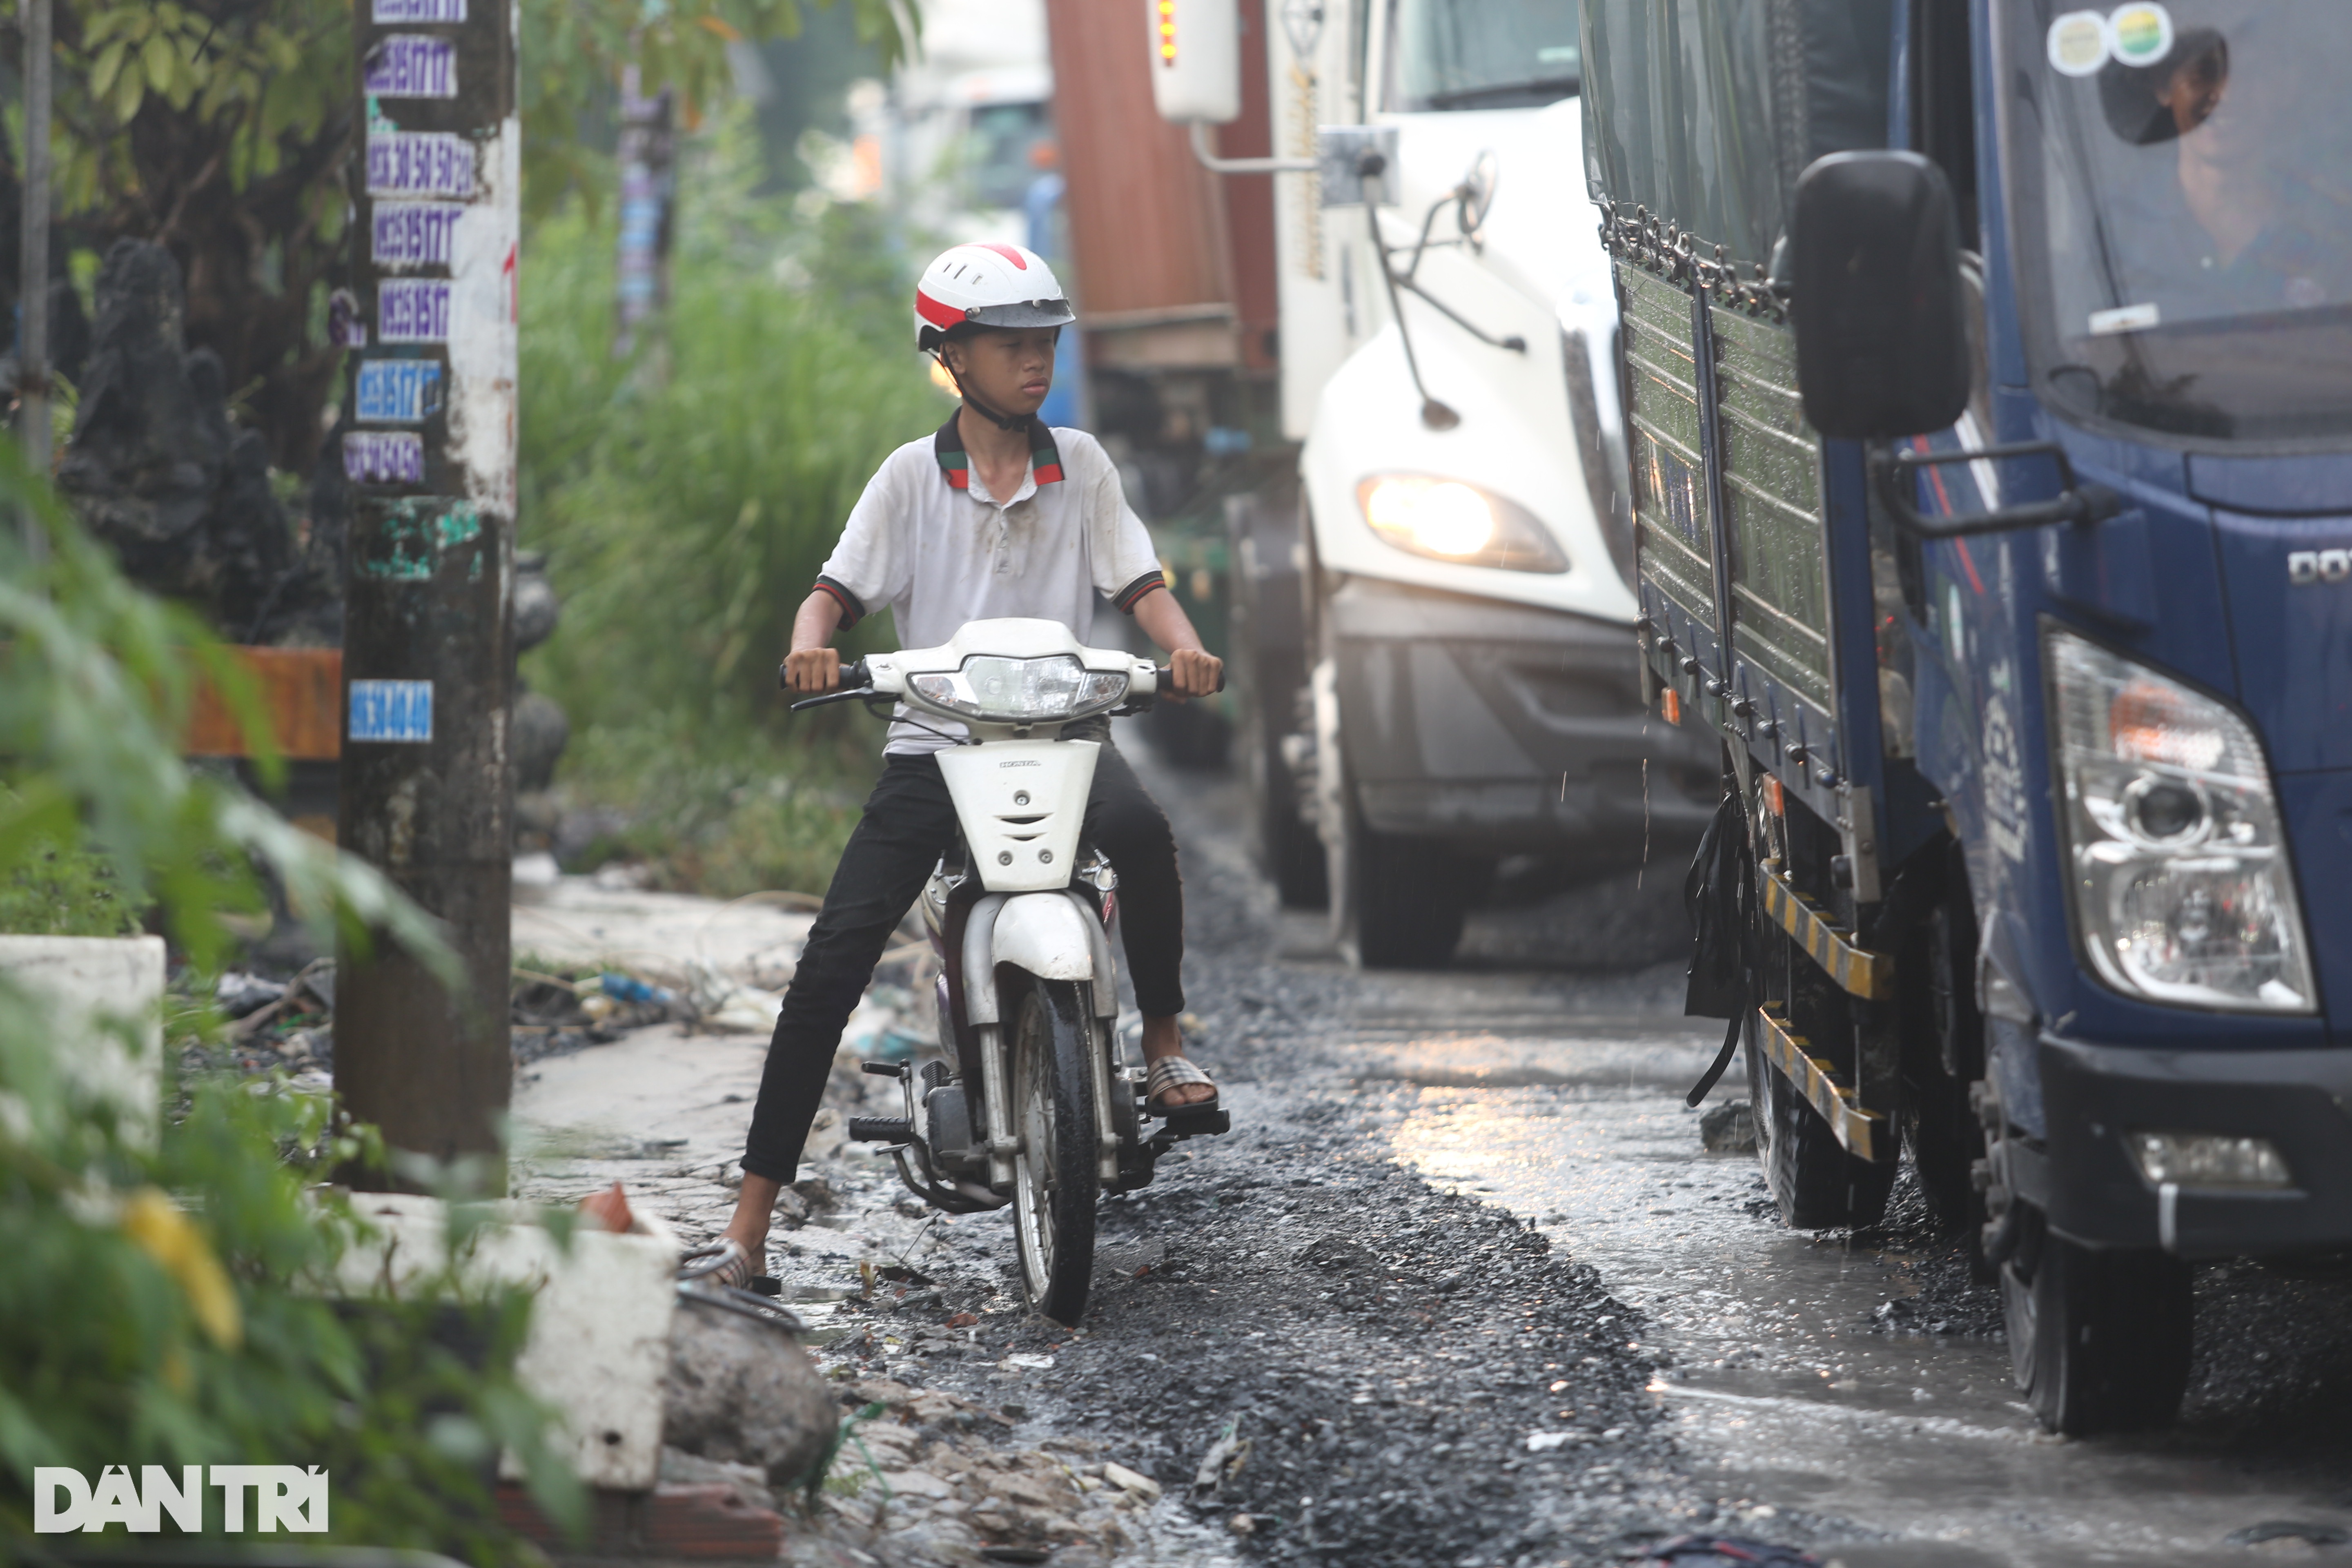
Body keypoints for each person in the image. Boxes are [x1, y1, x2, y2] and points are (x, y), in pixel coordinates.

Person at [708, 241, 1225, 1286]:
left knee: (1139, 832)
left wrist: (1181, 643)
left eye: (1043, 344)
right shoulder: (909, 477)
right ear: (951, 356)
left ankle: (1162, 1040)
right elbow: (835, 593)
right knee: (830, 969)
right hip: (935, 746)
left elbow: (1139, 581)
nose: (1035, 363)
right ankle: (746, 1231)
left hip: (1063, 739)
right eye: (1010, 345)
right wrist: (813, 644)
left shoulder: (1080, 465)